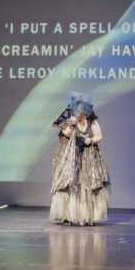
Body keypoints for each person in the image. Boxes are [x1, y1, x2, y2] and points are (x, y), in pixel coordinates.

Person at [49, 91, 110, 226]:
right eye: (80, 112)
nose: (82, 115)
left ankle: (88, 216)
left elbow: (99, 135)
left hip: (88, 158)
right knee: (69, 183)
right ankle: (67, 215)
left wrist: (91, 140)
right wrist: (72, 124)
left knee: (88, 184)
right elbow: (68, 133)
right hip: (70, 157)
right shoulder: (67, 117)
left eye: (84, 112)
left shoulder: (91, 119)